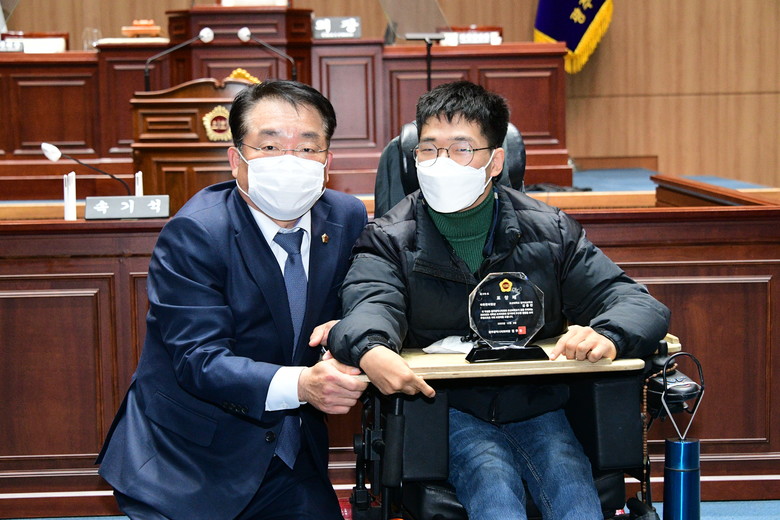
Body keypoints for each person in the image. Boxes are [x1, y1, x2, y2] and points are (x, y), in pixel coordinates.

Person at [326, 81, 671, 520]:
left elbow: (636, 302)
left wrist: (609, 334)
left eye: (461, 149)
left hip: (536, 402)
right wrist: (371, 347)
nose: (441, 163)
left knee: (571, 488)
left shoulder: (550, 231)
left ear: (495, 161)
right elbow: (369, 305)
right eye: (428, 149)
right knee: (493, 484)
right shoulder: (388, 237)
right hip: (442, 405)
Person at [97, 80, 369, 520]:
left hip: (290, 457)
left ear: (327, 161)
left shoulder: (345, 216)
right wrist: (302, 385)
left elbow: (363, 300)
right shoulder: (196, 233)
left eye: (307, 148)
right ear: (235, 159)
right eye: (270, 146)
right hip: (188, 464)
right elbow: (199, 360)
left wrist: (348, 331)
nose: (289, 161)